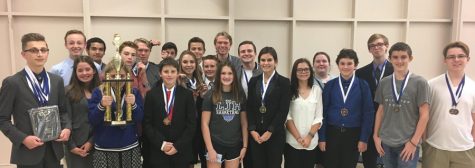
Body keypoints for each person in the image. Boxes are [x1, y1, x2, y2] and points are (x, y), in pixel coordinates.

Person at [0, 33, 71, 168]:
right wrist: (23, 139)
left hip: (54, 150)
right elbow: (2, 119)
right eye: (34, 50)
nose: (39, 54)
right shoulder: (12, 83)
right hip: (28, 152)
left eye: (43, 50)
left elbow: (64, 111)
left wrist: (67, 128)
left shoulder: (56, 81)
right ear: (23, 54)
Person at [373, 42, 430, 168]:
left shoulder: (420, 82)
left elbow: (424, 115)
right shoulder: (384, 82)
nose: (399, 61)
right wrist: (376, 136)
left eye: (403, 57)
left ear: (410, 58)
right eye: (395, 57)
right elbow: (380, 111)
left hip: (407, 143)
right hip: (386, 142)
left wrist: (414, 142)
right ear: (390, 59)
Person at [318, 49, 375, 168]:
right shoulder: (330, 85)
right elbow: (322, 113)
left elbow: (368, 113)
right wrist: (322, 137)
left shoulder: (363, 85)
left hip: (353, 135)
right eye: (342, 63)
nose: (346, 66)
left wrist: (364, 139)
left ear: (355, 65)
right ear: (338, 65)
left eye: (349, 63)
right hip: (332, 133)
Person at [423, 41, 475, 168]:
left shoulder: (473, 87)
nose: (456, 59)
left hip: (464, 149)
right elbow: (424, 115)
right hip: (435, 147)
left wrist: (472, 140)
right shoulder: (431, 85)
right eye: (451, 57)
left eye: (460, 56)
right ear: (444, 60)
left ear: (467, 59)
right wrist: (425, 140)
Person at [88, 61, 144, 168]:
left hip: (129, 145)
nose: (118, 79)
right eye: (114, 76)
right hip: (105, 146)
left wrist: (133, 105)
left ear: (127, 75)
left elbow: (140, 118)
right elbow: (92, 119)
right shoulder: (98, 92)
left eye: (122, 76)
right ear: (107, 75)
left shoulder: (134, 92)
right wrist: (101, 106)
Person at [142, 58, 196, 168]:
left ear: (177, 73)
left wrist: (177, 146)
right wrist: (161, 144)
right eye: (166, 72)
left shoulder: (187, 95)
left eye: (173, 71)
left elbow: (191, 125)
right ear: (160, 74)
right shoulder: (151, 95)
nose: (169, 75)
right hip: (158, 150)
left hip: (180, 151)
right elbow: (147, 124)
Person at [247, 46, 291, 168]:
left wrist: (270, 130)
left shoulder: (284, 82)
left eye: (269, 60)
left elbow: (283, 110)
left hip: (275, 134)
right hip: (256, 135)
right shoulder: (253, 81)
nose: (266, 63)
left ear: (275, 62)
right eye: (263, 60)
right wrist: (252, 129)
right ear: (259, 62)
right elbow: (249, 107)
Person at [355, 33, 394, 168]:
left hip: (390, 122)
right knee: (369, 161)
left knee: (390, 161)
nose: (376, 47)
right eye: (372, 45)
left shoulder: (396, 70)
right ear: (369, 49)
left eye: (379, 44)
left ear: (386, 46)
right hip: (369, 123)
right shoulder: (361, 73)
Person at [201, 62, 248, 168]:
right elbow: (204, 124)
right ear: (218, 75)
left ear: (234, 76)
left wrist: (244, 146)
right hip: (215, 144)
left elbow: (244, 123)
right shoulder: (211, 94)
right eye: (223, 73)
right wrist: (210, 148)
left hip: (235, 144)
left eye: (230, 73)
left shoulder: (240, 94)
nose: (226, 76)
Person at [284, 58, 323, 168]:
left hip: (311, 143)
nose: (303, 72)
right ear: (294, 72)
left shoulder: (316, 90)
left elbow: (319, 117)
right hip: (292, 142)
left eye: (306, 69)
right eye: (299, 70)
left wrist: (309, 137)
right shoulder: (289, 90)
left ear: (311, 71)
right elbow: (287, 116)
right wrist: (298, 138)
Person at [64, 56, 101, 168]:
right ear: (75, 72)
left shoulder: (102, 91)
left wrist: (91, 141)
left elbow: (103, 119)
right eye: (80, 70)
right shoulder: (68, 91)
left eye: (88, 69)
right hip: (76, 145)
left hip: (98, 142)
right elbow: (65, 119)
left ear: (94, 70)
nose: (84, 73)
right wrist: (71, 146)